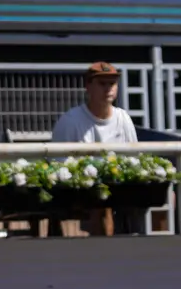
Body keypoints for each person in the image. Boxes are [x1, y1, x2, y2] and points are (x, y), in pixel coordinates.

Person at [51, 61, 139, 236]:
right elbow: (58, 165)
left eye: (112, 83)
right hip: (78, 191)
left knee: (165, 195)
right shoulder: (70, 121)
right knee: (102, 202)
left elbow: (134, 158)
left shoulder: (123, 119)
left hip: (120, 188)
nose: (108, 89)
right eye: (102, 83)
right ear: (88, 86)